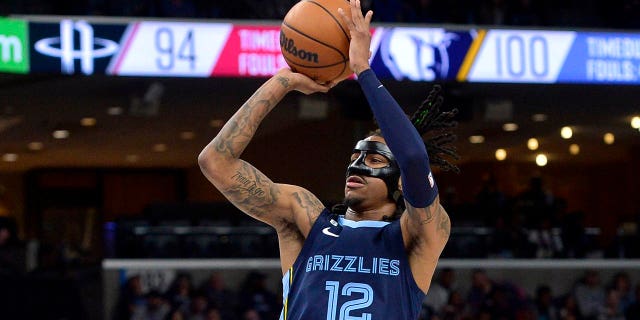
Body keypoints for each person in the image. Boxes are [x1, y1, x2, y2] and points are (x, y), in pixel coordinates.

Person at [198, 0, 458, 318]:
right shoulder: (306, 219)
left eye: (375, 160)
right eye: (355, 155)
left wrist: (362, 69)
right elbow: (215, 161)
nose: (357, 164)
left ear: (401, 180)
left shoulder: (416, 235)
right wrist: (283, 82)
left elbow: (415, 158)